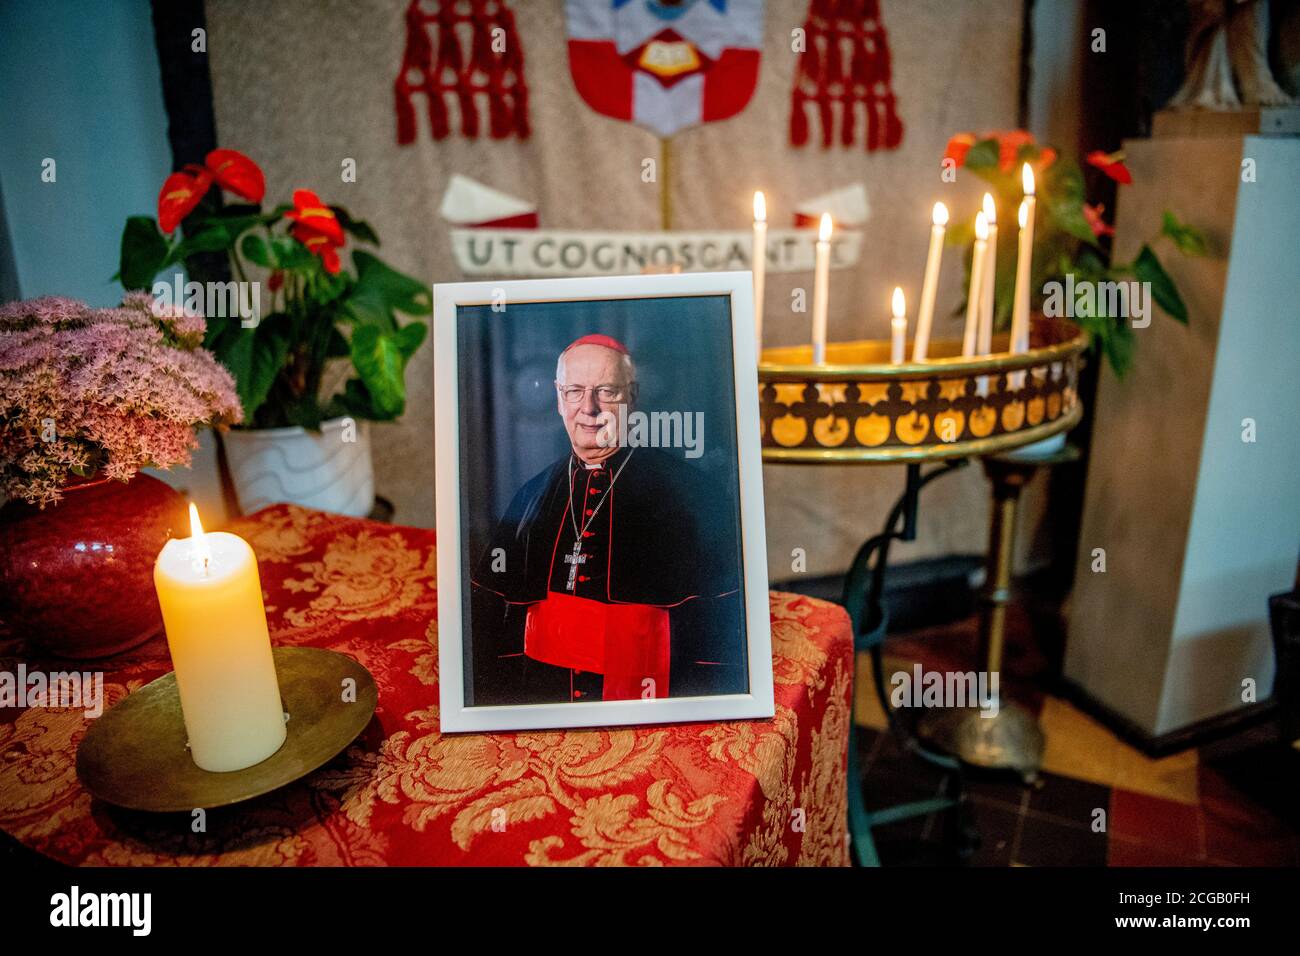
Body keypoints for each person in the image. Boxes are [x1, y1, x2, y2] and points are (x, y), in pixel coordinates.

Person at [469, 333, 745, 706]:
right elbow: (492, 628)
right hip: (547, 702)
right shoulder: (532, 495)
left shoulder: (688, 492)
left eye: (607, 392)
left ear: (632, 396)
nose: (589, 408)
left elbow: (721, 635)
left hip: (652, 704)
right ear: (558, 397)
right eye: (575, 391)